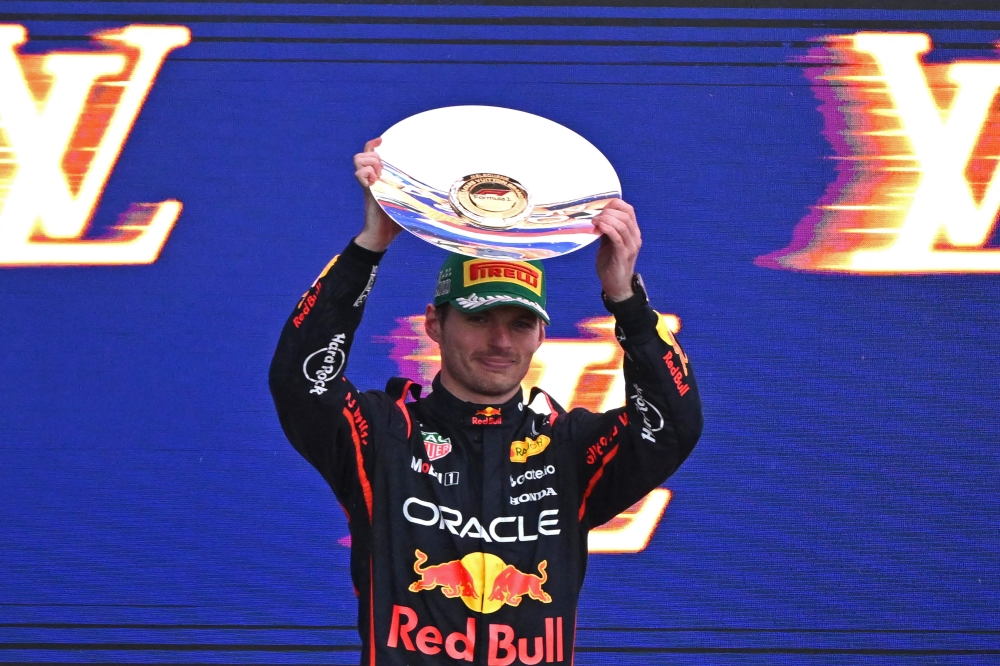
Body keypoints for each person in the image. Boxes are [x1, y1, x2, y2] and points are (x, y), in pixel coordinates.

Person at [268, 138, 703, 665]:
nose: (500, 342)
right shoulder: (385, 435)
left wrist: (626, 300)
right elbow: (300, 381)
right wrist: (368, 248)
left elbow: (674, 426)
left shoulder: (568, 449)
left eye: (519, 323)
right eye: (479, 318)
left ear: (540, 335)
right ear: (435, 324)